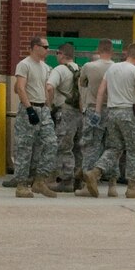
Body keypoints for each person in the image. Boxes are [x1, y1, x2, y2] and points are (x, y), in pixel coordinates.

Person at [84, 43, 135, 198]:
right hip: (127, 113)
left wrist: (97, 112)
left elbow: (101, 91)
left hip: (111, 112)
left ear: (127, 53)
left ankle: (95, 172)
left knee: (114, 148)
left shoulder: (112, 68)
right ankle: (133, 185)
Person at [12, 36, 59, 198]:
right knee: (25, 147)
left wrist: (48, 107)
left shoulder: (45, 67)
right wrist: (29, 109)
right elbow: (19, 87)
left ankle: (39, 180)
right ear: (34, 47)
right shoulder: (24, 65)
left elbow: (46, 89)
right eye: (44, 47)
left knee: (51, 143)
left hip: (43, 108)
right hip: (29, 107)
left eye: (47, 47)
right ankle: (21, 184)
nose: (47, 50)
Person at [75, 39, 114, 196]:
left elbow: (82, 83)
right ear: (111, 51)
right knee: (111, 146)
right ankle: (112, 185)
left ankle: (87, 185)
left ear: (98, 49)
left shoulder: (89, 66)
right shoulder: (116, 68)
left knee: (90, 146)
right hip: (111, 109)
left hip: (93, 109)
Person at [46, 42, 83, 192]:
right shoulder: (80, 69)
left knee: (63, 147)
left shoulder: (60, 69)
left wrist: (50, 106)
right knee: (78, 148)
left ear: (61, 54)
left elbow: (49, 87)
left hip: (65, 112)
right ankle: (79, 180)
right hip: (79, 113)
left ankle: (66, 179)